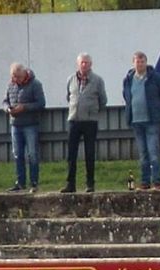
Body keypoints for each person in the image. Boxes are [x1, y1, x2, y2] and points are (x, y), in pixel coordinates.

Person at [122, 51, 160, 190]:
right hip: (136, 121)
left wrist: (157, 109)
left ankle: (157, 181)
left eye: (142, 61)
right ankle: (145, 182)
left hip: (152, 120)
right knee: (143, 154)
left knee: (153, 152)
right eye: (137, 61)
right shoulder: (128, 79)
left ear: (146, 63)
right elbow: (126, 96)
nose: (140, 64)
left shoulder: (155, 77)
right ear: (133, 63)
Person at [62, 53, 107, 193]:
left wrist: (92, 110)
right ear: (78, 64)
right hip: (74, 120)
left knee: (89, 153)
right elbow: (68, 97)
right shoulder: (71, 79)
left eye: (86, 62)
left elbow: (103, 100)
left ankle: (90, 183)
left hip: (90, 121)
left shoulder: (98, 80)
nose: (84, 65)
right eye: (82, 62)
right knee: (71, 154)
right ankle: (70, 184)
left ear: (90, 64)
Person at [3, 63, 45, 193]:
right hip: (15, 124)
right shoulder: (11, 85)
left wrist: (24, 107)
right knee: (17, 154)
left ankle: (34, 183)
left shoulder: (35, 84)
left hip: (30, 124)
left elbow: (41, 103)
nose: (16, 79)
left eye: (18, 77)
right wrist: (7, 109)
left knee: (32, 154)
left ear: (24, 74)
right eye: (14, 77)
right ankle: (20, 183)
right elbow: (5, 101)